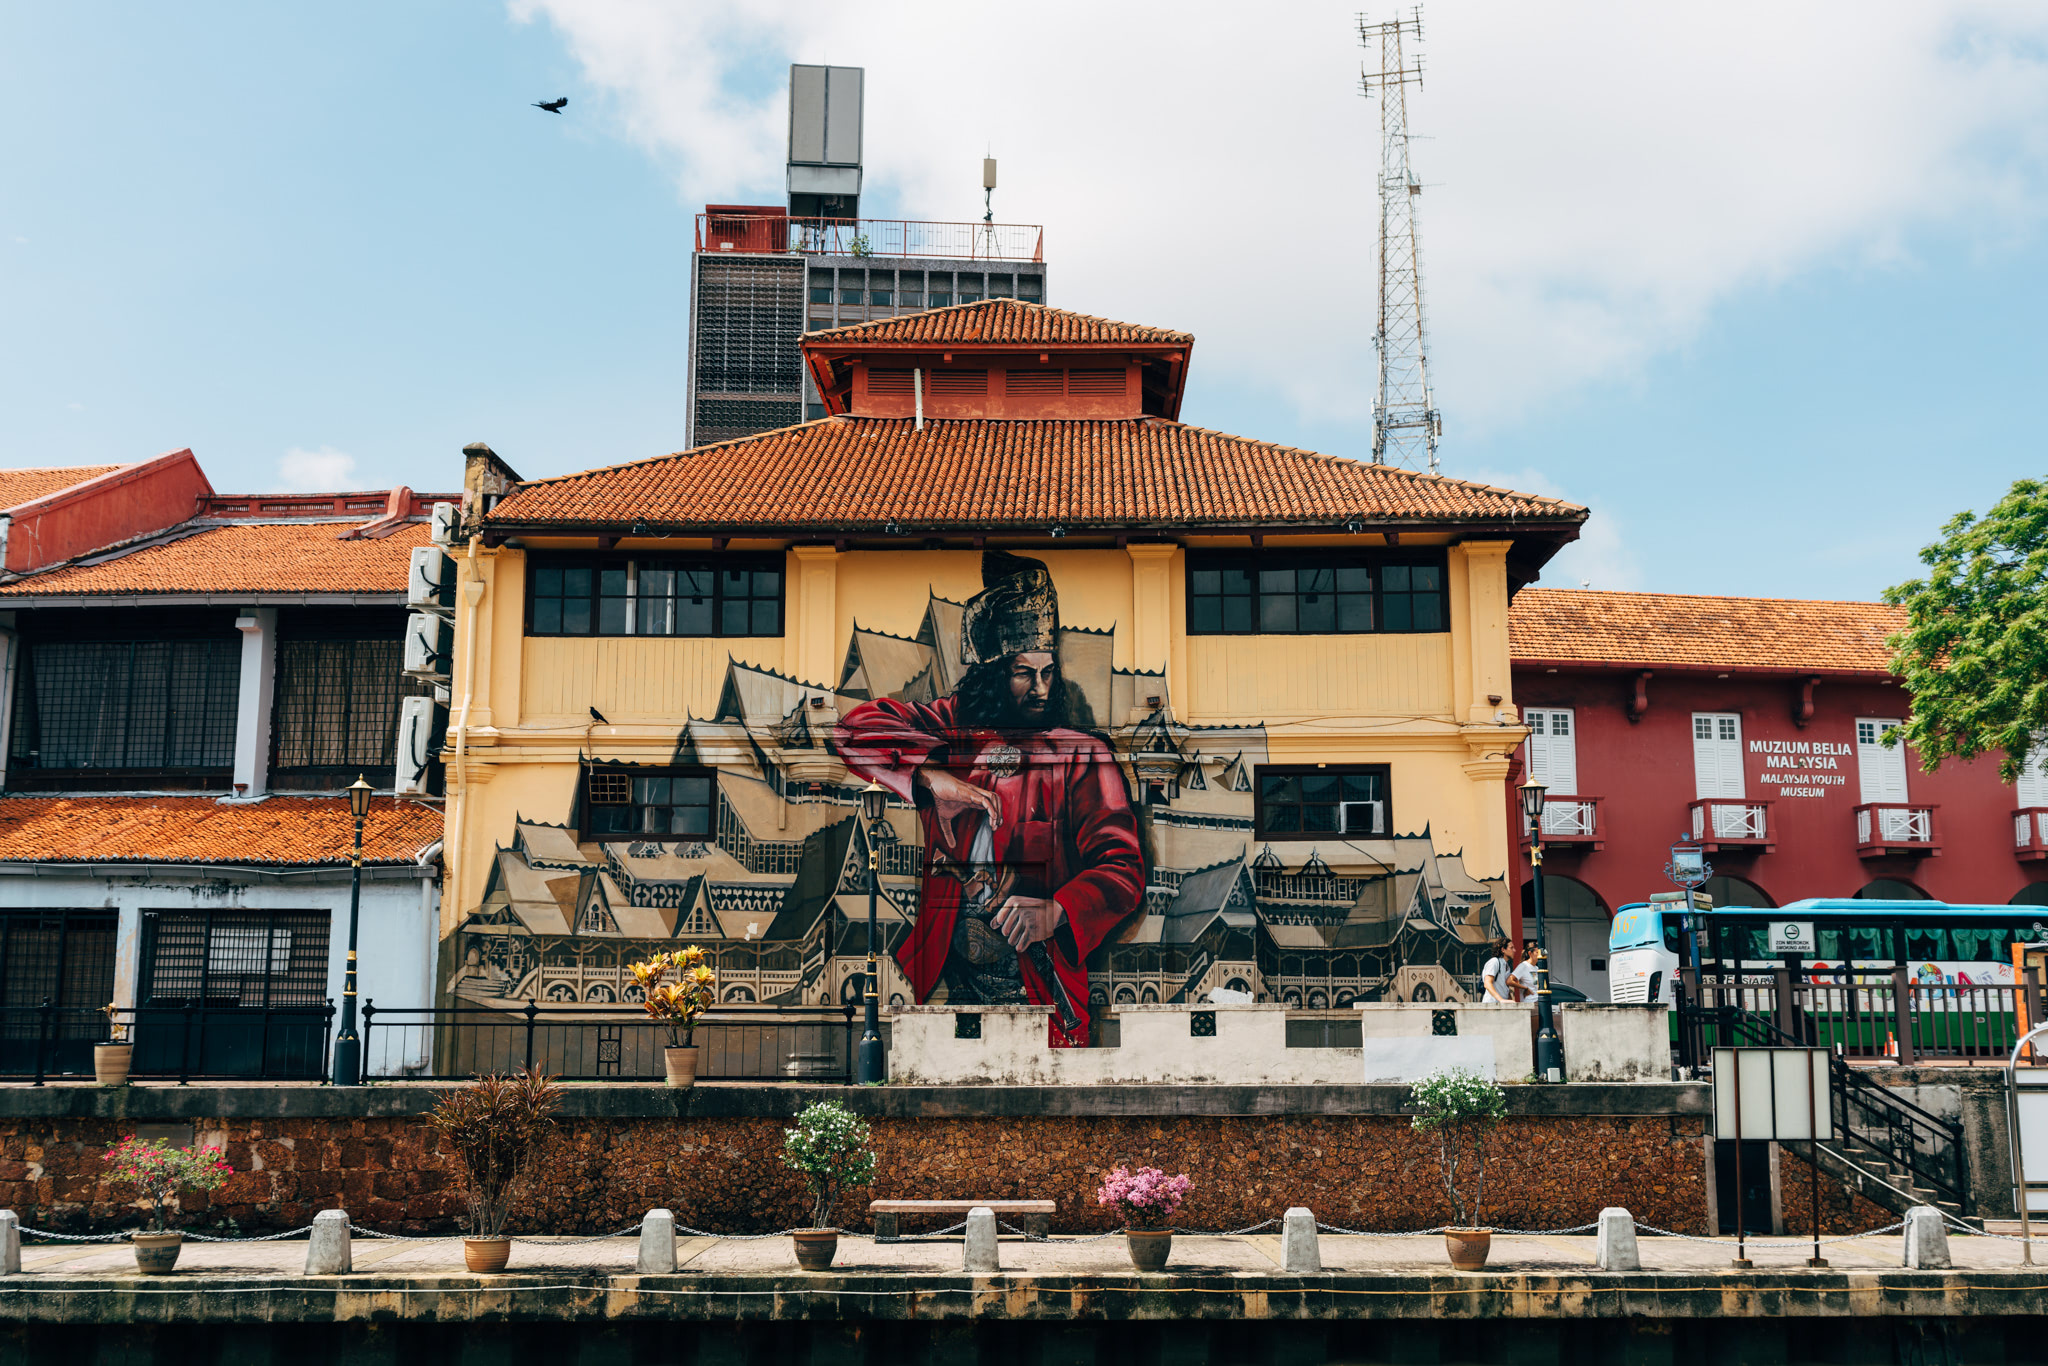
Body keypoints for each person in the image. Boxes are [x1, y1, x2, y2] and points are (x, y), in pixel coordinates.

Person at [836, 552, 1146, 1048]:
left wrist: (1058, 909)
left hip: (1040, 982)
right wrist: (931, 777)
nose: (1041, 688)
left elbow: (1123, 869)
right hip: (947, 980)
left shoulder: (1084, 754)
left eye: (1049, 673)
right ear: (993, 673)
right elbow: (853, 731)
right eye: (1025, 673)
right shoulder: (949, 731)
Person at [1480, 937, 1515, 1004]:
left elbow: (1504, 987)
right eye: (1511, 948)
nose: (1514, 950)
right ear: (1503, 949)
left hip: (1502, 1006)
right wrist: (1501, 1000)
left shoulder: (1507, 966)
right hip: (1492, 1004)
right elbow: (1487, 983)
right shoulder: (1494, 962)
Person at [1511, 939, 1542, 1004]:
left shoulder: (1536, 968)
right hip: (1530, 1002)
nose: (1539, 955)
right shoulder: (1523, 966)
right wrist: (1525, 988)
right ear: (1530, 953)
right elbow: (1509, 981)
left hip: (1538, 1001)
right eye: (1537, 953)